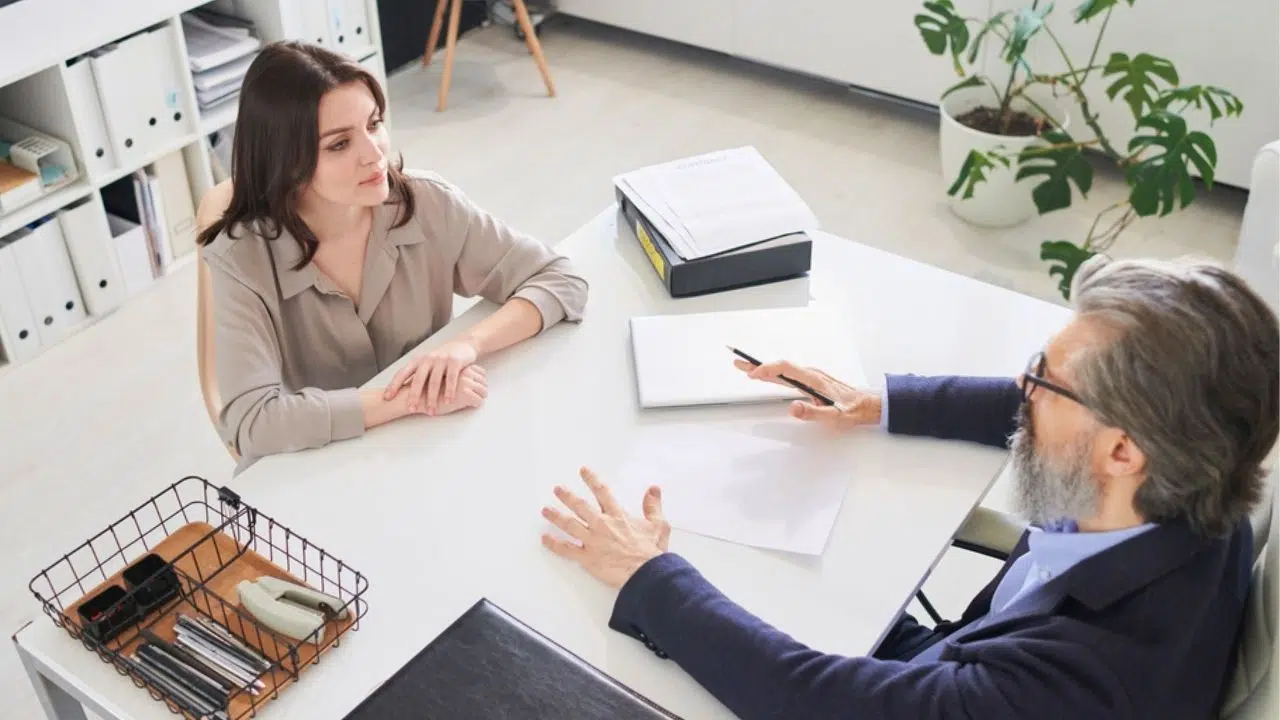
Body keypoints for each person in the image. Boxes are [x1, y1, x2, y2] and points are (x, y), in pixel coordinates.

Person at [540, 255, 1279, 718]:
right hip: (951, 659)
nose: (1020, 389)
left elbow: (814, 701)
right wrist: (879, 402)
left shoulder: (1078, 685)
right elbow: (1041, 407)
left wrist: (650, 577)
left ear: (1122, 451)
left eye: (1042, 382)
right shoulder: (1201, 478)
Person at [197, 41, 587, 469]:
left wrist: (466, 346)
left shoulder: (427, 203)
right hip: (327, 462)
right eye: (340, 144)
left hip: (438, 442)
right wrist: (403, 399)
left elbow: (559, 280)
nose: (373, 152)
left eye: (374, 124)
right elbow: (251, 423)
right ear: (286, 161)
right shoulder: (242, 258)